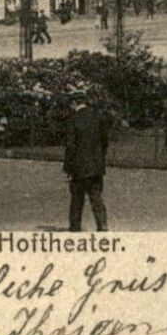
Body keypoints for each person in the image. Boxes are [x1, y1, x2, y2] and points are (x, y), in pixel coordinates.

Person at [63, 82, 111, 232]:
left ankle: (75, 227)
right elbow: (105, 141)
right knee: (96, 198)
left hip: (78, 167)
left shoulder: (73, 120)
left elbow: (70, 146)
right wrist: (99, 158)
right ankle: (102, 226)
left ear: (74, 102)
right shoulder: (97, 117)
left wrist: (68, 167)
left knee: (77, 200)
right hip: (96, 166)